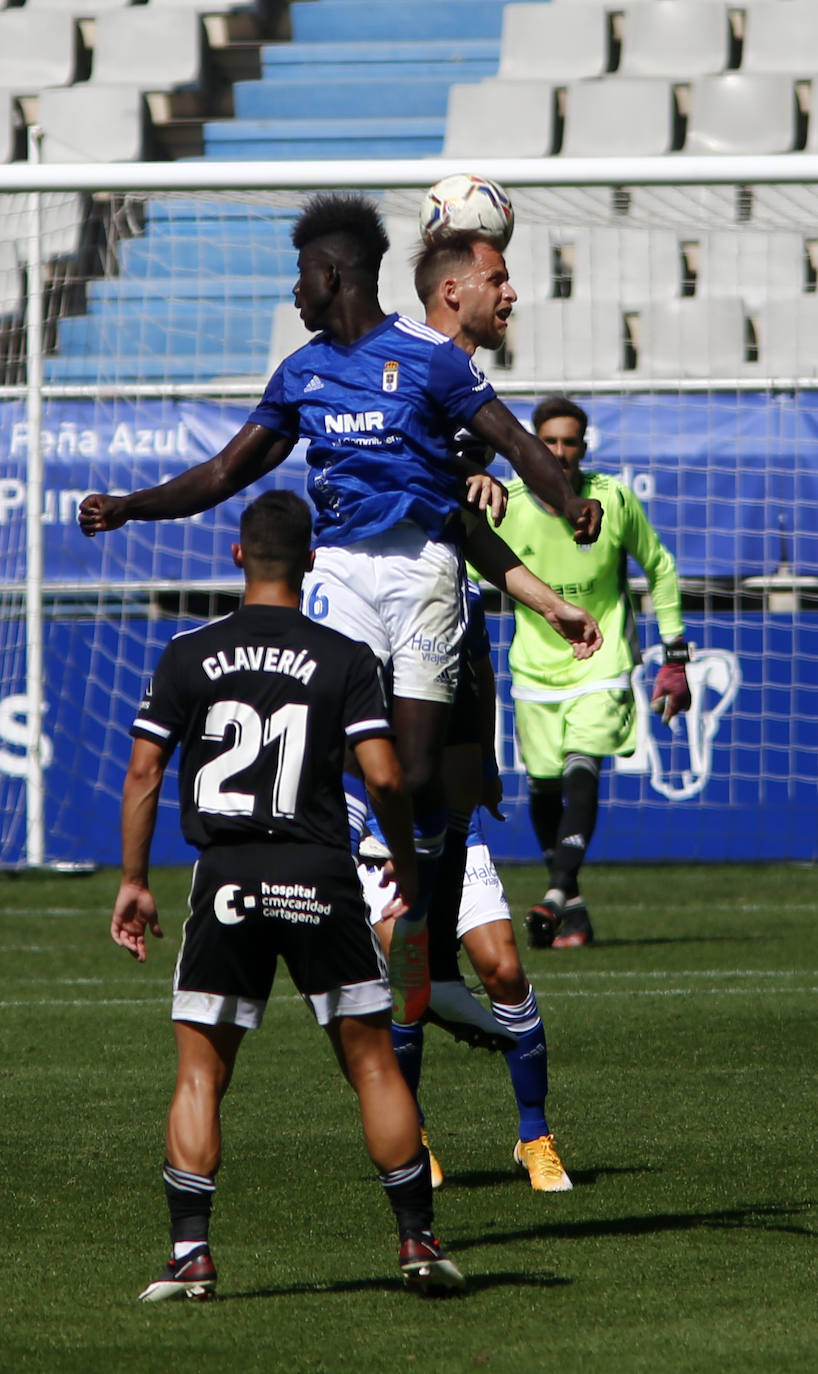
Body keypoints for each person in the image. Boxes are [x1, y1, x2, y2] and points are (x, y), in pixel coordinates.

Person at [78, 193, 603, 1021]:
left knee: (421, 771)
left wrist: (565, 497)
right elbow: (223, 473)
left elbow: (513, 439)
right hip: (344, 572)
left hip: (425, 567)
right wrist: (130, 506)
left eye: (299, 277)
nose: (294, 293)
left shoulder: (428, 358)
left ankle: (420, 910)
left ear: (330, 275)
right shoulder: (302, 373)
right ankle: (354, 878)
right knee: (333, 734)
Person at [112, 489, 465, 1299]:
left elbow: (142, 771)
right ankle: (416, 1242)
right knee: (373, 1063)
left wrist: (134, 881)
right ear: (311, 564)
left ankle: (191, 1254)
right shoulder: (345, 657)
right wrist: (406, 864)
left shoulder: (187, 652)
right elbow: (382, 774)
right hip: (319, 872)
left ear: (239, 558)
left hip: (226, 875)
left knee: (201, 1073)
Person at [357, 235, 605, 1192]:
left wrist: (549, 602)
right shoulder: (365, 560)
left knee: (502, 968)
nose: (511, 291)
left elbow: (479, 529)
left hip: (453, 768)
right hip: (384, 808)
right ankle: (411, 1144)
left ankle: (533, 1133)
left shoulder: (451, 551)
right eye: (496, 277)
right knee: (407, 963)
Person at [499, 394, 692, 949]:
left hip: (601, 660)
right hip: (534, 668)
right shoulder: (506, 505)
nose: (560, 452)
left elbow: (660, 567)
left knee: (584, 768)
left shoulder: (612, 498)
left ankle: (557, 892)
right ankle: (573, 910)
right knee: (541, 786)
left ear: (585, 446)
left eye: (570, 441)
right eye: (549, 441)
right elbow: (460, 568)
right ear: (532, 445)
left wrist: (674, 654)